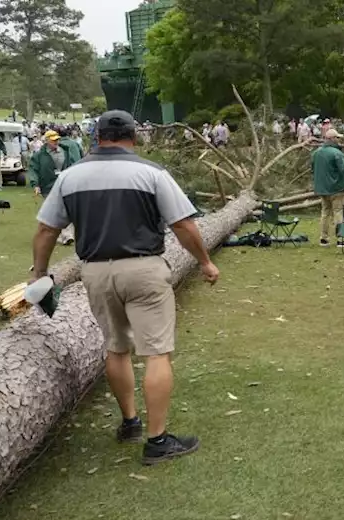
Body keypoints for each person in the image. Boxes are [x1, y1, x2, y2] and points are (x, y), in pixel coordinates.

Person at [29, 110, 218, 465]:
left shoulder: (69, 177)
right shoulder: (152, 173)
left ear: (97, 137)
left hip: (96, 272)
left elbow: (46, 230)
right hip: (144, 269)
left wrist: (40, 273)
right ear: (133, 137)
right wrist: (205, 262)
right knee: (157, 352)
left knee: (116, 349)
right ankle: (158, 440)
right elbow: (183, 225)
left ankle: (130, 422)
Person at [311, 128, 344, 247]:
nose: (338, 140)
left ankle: (324, 238)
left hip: (322, 189)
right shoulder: (337, 153)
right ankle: (340, 239)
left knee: (325, 212)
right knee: (338, 212)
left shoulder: (316, 153)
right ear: (332, 139)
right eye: (337, 138)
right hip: (336, 188)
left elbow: (313, 169)